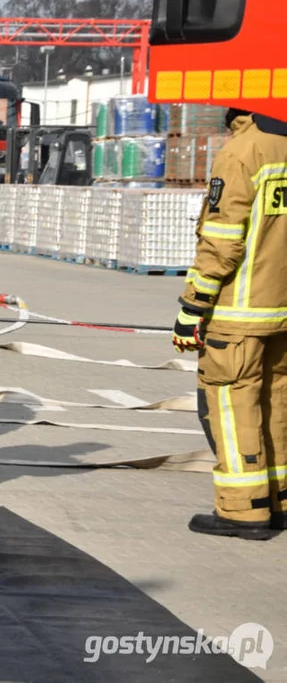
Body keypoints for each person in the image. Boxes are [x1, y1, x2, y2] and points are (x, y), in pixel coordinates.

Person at [172, 107, 287, 541]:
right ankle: (278, 499)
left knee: (231, 403)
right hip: (280, 308)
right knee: (276, 402)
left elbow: (222, 240)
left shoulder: (243, 151)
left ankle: (243, 509)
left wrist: (193, 306)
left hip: (238, 311)